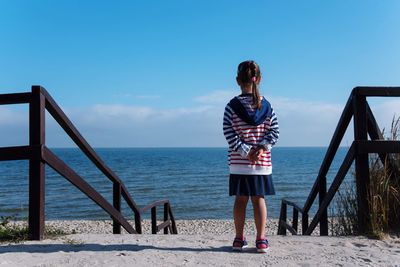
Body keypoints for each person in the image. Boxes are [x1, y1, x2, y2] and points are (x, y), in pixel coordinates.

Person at [223, 60, 279, 253]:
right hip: (261, 163)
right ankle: (261, 240)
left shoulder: (231, 106)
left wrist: (245, 151)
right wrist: (261, 149)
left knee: (240, 200)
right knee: (259, 199)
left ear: (238, 80)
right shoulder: (267, 106)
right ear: (259, 79)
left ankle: (239, 239)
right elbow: (274, 132)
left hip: (239, 162)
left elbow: (228, 133)